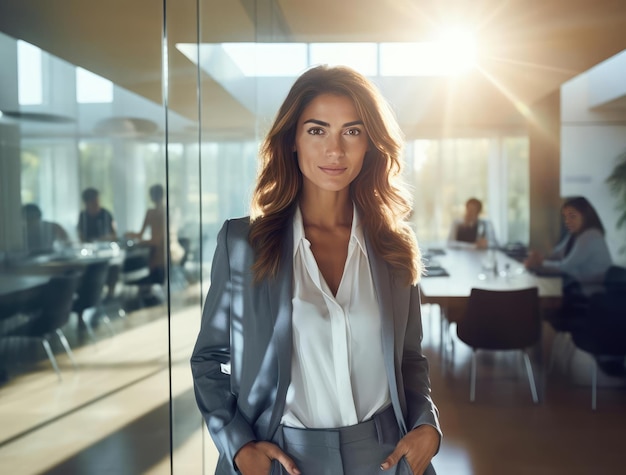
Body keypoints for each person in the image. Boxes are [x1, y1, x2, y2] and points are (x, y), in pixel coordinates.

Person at [191, 65, 441, 475]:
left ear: (370, 144)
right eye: (317, 130)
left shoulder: (391, 247)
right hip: (282, 457)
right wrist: (238, 447)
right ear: (292, 140)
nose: (335, 151)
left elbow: (410, 358)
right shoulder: (243, 245)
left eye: (352, 131)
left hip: (386, 456)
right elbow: (208, 360)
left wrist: (427, 424)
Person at [524, 196, 612, 296]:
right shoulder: (575, 234)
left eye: (572, 216)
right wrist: (539, 257)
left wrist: (540, 262)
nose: (567, 221)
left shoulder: (590, 236)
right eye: (565, 217)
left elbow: (566, 266)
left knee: (538, 294)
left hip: (588, 291)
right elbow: (557, 253)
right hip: (574, 285)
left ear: (585, 215)